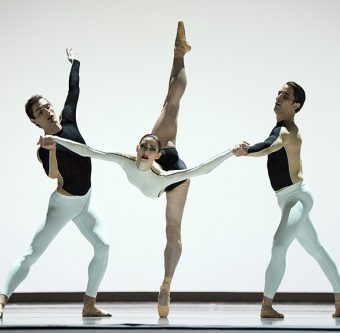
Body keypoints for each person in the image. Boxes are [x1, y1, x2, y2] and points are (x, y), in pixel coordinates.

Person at [39, 22, 234, 318]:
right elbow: (89, 151)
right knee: (170, 101)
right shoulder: (127, 159)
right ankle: (179, 53)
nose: (145, 150)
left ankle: (166, 283)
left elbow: (202, 170)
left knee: (172, 229)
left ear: (156, 153)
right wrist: (58, 141)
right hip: (160, 168)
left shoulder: (168, 173)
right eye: (144, 145)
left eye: (150, 148)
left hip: (172, 178)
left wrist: (231, 152)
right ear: (140, 148)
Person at [0, 49, 111, 318]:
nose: (47, 111)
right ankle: (2, 301)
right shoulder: (43, 148)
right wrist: (50, 150)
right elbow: (53, 176)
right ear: (34, 121)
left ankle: (89, 304)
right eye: (40, 111)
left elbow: (74, 90)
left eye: (47, 106)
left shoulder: (69, 119)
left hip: (85, 200)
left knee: (103, 246)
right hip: (63, 205)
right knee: (32, 253)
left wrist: (76, 63)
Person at [233, 81, 340, 318]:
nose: (279, 97)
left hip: (297, 198)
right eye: (279, 93)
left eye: (286, 95)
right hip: (287, 199)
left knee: (279, 244)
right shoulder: (280, 129)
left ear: (295, 105)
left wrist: (247, 151)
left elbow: (268, 147)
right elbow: (268, 144)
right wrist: (250, 148)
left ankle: (266, 305)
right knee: (317, 250)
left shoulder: (287, 132)